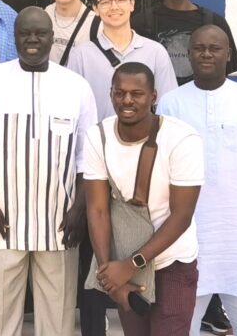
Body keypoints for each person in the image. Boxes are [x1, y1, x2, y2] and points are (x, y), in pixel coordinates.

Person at [0, 7, 99, 336]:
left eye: (40, 33)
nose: (33, 39)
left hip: (60, 222)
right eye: (25, 33)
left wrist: (78, 210)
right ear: (14, 37)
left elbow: (87, 158)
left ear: (52, 38)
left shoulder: (76, 86)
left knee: (58, 319)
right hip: (2, 220)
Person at [157, 26, 237, 336]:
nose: (207, 54)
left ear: (228, 54)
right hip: (187, 238)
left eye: (215, 48)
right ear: (189, 55)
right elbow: (159, 171)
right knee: (180, 328)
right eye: (199, 48)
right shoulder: (172, 104)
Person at [83, 62, 203, 336]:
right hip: (124, 260)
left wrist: (129, 265)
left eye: (136, 93)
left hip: (171, 261)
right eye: (119, 92)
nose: (127, 100)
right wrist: (109, 275)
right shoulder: (98, 136)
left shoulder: (182, 139)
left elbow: (181, 216)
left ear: (153, 97)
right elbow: (97, 209)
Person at [66, 0, 177, 121]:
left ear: (132, 4)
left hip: (145, 141)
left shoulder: (156, 52)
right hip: (97, 141)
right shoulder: (81, 56)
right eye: (105, 2)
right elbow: (71, 107)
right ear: (95, 8)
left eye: (121, 0)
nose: (114, 7)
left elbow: (167, 107)